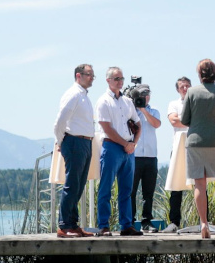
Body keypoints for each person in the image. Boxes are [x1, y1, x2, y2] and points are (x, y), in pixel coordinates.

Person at [180, 59, 215, 239]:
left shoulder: (191, 92)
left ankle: (203, 223)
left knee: (199, 184)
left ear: (199, 74)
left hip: (195, 141)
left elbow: (184, 119)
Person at [95, 66, 143, 237]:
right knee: (106, 188)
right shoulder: (103, 101)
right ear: (108, 80)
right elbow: (107, 128)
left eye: (122, 78)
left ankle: (126, 225)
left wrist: (133, 144)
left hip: (128, 149)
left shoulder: (127, 101)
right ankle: (103, 225)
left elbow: (138, 124)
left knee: (126, 189)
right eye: (116, 79)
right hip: (112, 147)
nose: (120, 82)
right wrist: (126, 144)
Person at [52, 64, 97, 238]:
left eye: (93, 75)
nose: (92, 77)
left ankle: (73, 223)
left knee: (78, 185)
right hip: (74, 141)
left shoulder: (83, 95)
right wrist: (60, 141)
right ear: (78, 75)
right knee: (71, 184)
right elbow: (60, 121)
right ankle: (64, 226)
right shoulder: (73, 94)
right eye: (89, 74)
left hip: (85, 142)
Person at [130, 84, 162, 233]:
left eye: (148, 94)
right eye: (142, 95)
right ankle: (129, 220)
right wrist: (137, 109)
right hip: (134, 156)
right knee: (131, 190)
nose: (146, 97)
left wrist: (144, 110)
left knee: (148, 192)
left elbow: (156, 124)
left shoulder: (153, 111)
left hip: (150, 156)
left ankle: (146, 221)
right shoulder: (130, 110)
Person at [164, 76, 192, 233]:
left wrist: (183, 119)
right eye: (182, 86)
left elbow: (199, 120)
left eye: (188, 85)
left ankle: (204, 221)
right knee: (176, 186)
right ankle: (174, 222)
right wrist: (191, 120)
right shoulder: (173, 104)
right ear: (177, 89)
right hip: (178, 148)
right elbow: (173, 121)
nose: (185, 88)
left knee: (200, 185)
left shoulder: (196, 102)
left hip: (195, 147)